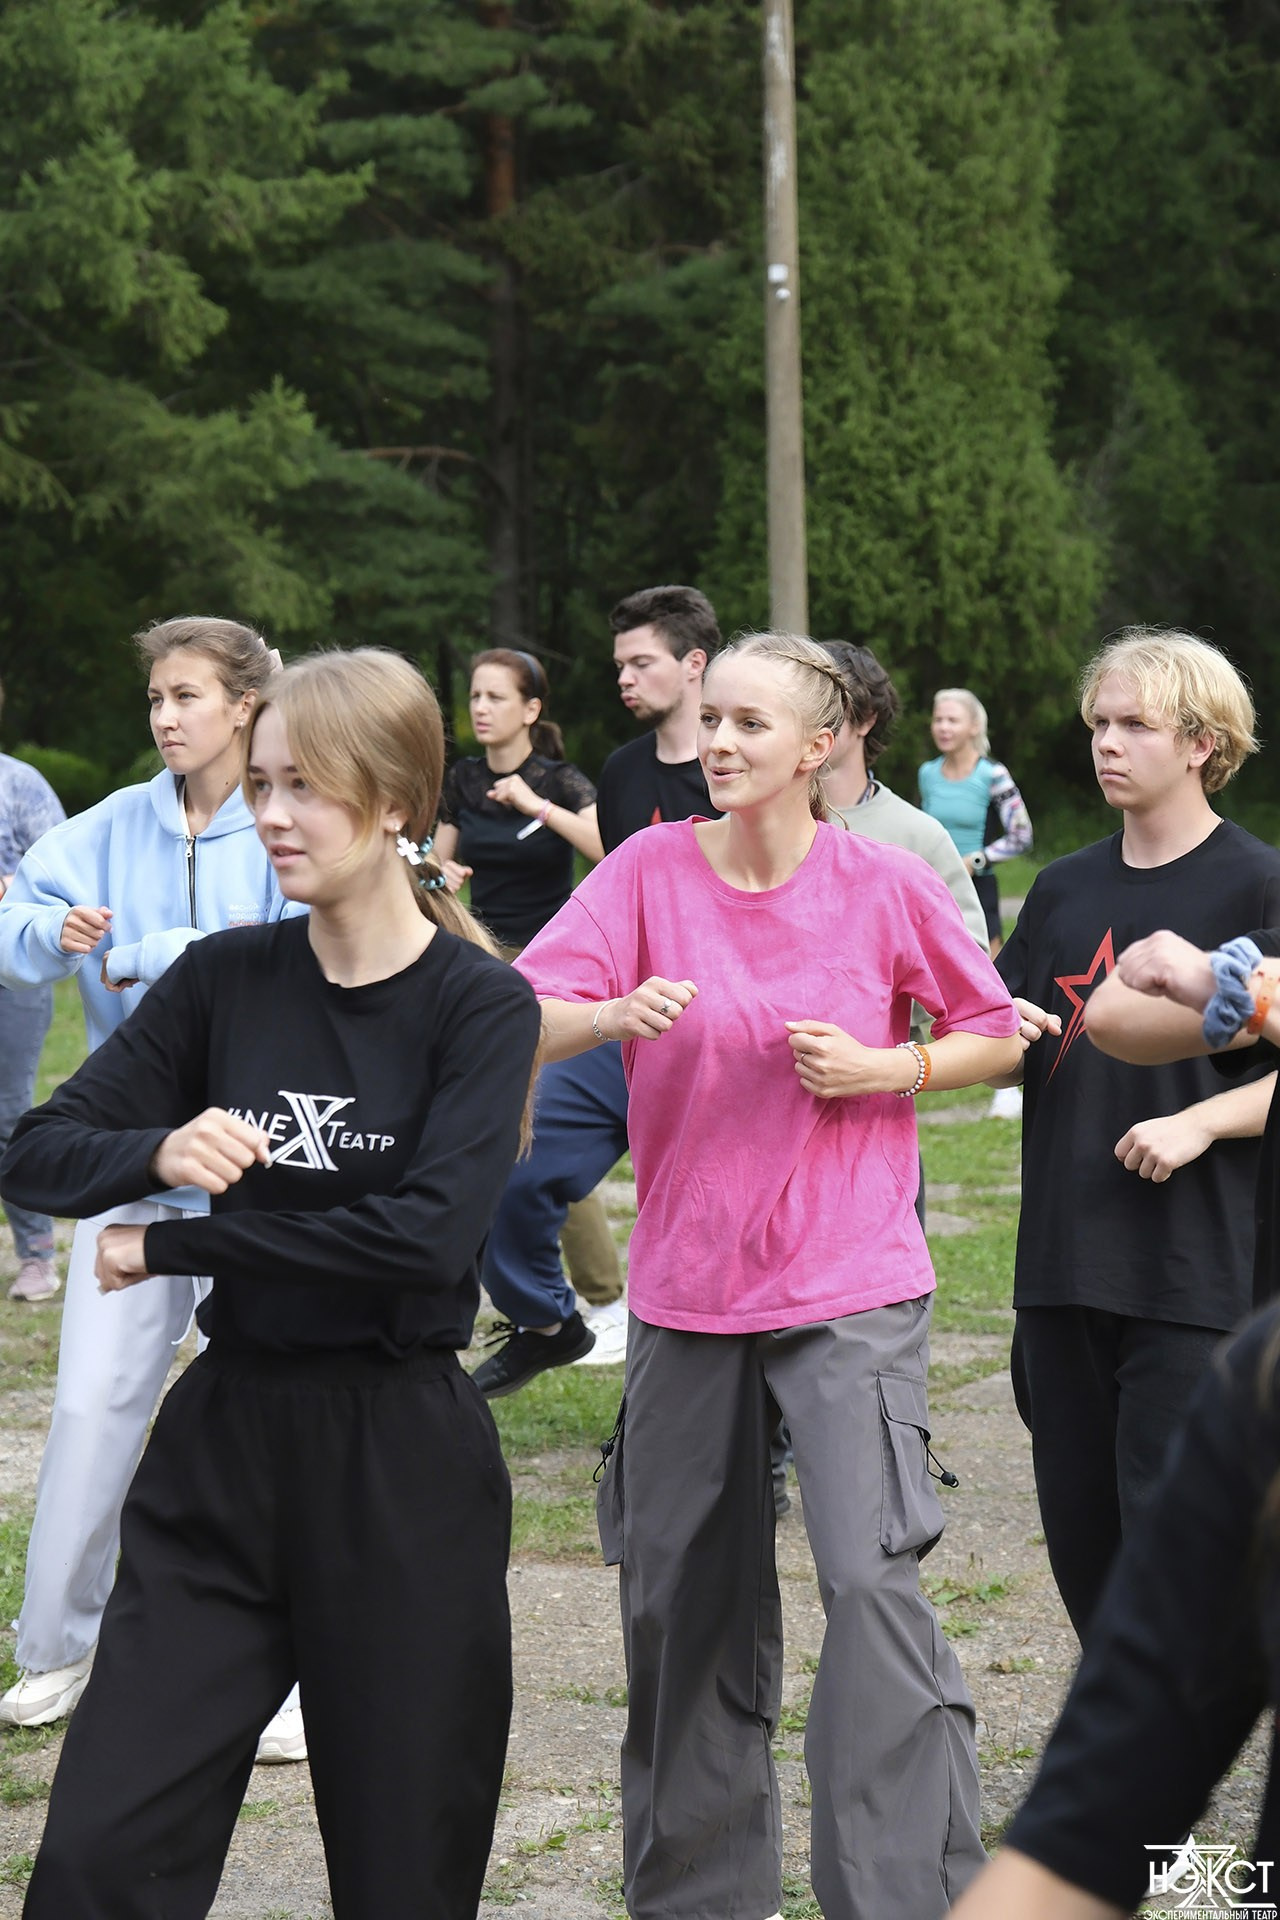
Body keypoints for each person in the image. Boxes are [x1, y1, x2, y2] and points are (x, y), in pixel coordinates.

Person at [0, 646, 541, 1920]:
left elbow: (417, 1242)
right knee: (94, 1859)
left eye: (308, 787)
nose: (273, 816)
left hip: (399, 1461)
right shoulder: (226, 977)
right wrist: (154, 1152)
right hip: (225, 1452)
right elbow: (35, 1149)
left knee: (403, 1871)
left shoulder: (478, 1005)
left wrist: (176, 1242)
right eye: (262, 784)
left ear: (400, 799)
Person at [516, 630, 1023, 1920]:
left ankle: (903, 1896)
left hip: (849, 1280)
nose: (721, 743)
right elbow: (523, 1008)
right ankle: (698, 1899)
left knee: (868, 1582)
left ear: (818, 745)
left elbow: (988, 1032)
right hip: (687, 1289)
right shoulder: (642, 871)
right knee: (680, 1601)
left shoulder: (883, 883)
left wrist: (883, 1070)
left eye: (751, 724)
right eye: (714, 719)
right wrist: (607, 1017)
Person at [0, 618, 307, 1761]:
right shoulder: (118, 819)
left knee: (271, 1427)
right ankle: (59, 1648)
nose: (165, 716)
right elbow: (16, 918)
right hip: (135, 1150)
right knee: (88, 1407)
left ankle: (283, 1673)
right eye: (155, 699)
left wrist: (140, 952)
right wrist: (53, 928)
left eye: (186, 696)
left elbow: (295, 951)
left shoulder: (293, 809)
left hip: (269, 1161)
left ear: (242, 703)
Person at [953, 924, 1280, 1920]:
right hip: (1074, 1284)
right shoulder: (1264, 1400)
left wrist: (1228, 993)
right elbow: (1084, 1844)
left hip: (1185, 1292)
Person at [992, 627, 1280, 1641]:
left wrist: (1201, 1119)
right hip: (1061, 1262)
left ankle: (1152, 1768)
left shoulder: (1258, 884)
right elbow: (991, 1029)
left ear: (1201, 742)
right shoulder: (1063, 888)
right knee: (1083, 1544)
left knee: (1176, 1545)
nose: (1105, 744)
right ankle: (1127, 1757)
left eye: (1133, 726)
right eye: (1097, 724)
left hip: (1193, 1265)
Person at [472, 585, 722, 1397]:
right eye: (619, 664)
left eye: (641, 662)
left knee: (718, 1237)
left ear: (694, 665)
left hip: (722, 1038)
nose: (624, 678)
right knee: (505, 1165)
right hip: (622, 1024)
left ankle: (764, 1446)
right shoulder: (620, 771)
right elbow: (611, 898)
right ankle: (548, 1323)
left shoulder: (740, 769)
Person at [434, 647, 603, 951]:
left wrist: (539, 807)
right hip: (483, 950)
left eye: (495, 698)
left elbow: (608, 847)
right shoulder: (463, 778)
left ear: (531, 710)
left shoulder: (559, 780)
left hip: (552, 951)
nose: (480, 709)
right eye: (475, 696)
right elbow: (435, 864)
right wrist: (440, 876)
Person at [0, 682, 66, 1301]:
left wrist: (6, 886)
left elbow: (60, 876)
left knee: (7, 1111)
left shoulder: (19, 784)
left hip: (9, 974)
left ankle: (38, 1254)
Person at [919, 686, 1032, 954]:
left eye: (953, 720)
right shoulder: (927, 773)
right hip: (935, 886)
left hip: (978, 890)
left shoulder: (993, 775)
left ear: (974, 726)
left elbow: (1022, 835)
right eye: (938, 720)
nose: (943, 727)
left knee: (986, 979)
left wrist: (975, 861)